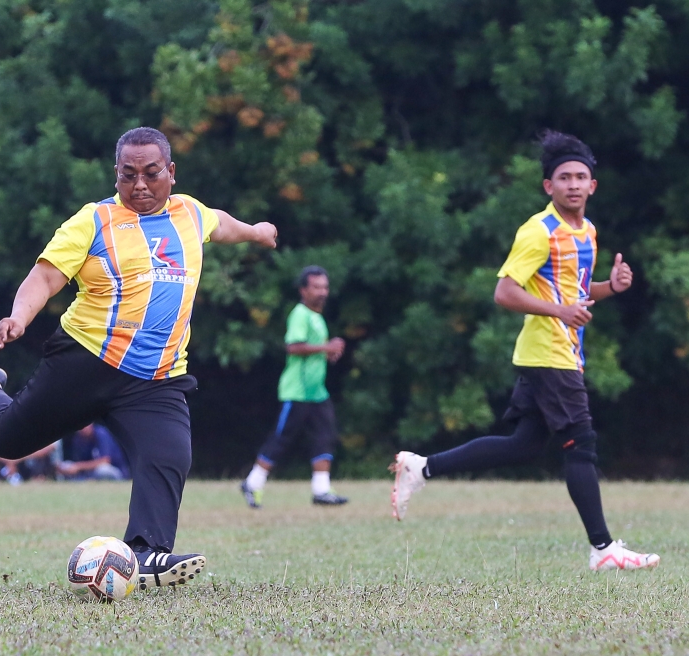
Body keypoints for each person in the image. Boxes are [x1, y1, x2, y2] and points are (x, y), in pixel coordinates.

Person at [0, 126, 278, 588]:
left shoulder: (190, 214)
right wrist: (18, 317)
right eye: (127, 175)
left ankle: (147, 553)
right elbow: (44, 278)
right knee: (6, 441)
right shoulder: (94, 220)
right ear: (115, 175)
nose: (139, 185)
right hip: (85, 361)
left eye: (151, 173)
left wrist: (258, 232)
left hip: (155, 379)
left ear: (171, 172)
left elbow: (224, 223)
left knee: (170, 455)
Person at [390, 130, 659, 571]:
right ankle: (604, 549)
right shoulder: (539, 230)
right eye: (563, 177)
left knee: (524, 445)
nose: (573, 184)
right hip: (547, 354)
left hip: (562, 352)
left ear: (593, 186)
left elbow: (572, 291)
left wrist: (611, 287)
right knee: (581, 446)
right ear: (547, 187)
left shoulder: (587, 231)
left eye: (580, 177)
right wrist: (560, 312)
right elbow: (505, 293)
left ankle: (422, 468)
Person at [240, 266, 348, 508]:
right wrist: (326, 348)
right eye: (316, 287)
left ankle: (321, 490)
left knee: (325, 436)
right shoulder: (300, 314)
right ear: (303, 290)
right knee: (282, 438)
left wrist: (328, 353)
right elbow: (294, 347)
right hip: (297, 391)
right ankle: (252, 482)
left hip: (316, 391)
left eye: (325, 287)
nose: (322, 292)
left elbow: (313, 350)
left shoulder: (317, 317)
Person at [59, 423, 131, 481]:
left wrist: (79, 466)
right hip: (89, 472)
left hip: (116, 472)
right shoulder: (78, 439)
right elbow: (78, 461)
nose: (82, 429)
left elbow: (105, 461)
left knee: (103, 470)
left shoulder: (101, 433)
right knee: (67, 465)